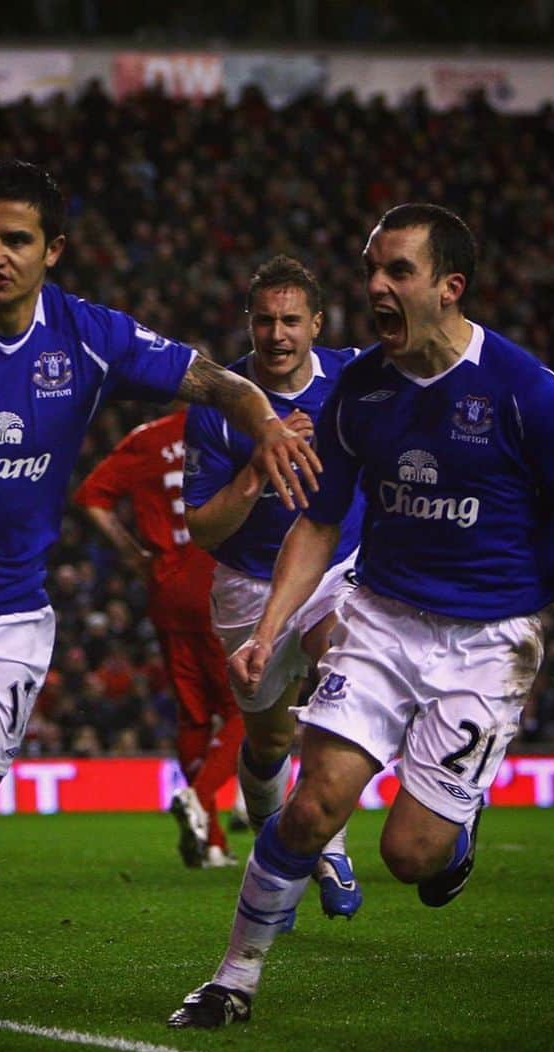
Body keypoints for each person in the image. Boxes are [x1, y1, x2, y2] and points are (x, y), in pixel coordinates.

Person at [0, 160, 320, 1034]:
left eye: (17, 239)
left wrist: (268, 422)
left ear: (53, 248)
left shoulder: (87, 335)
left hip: (7, 618)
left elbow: (220, 380)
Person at [169, 203, 554, 1029]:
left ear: (450, 288)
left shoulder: (525, 390)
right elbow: (316, 520)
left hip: (489, 640)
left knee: (411, 856)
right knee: (310, 807)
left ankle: (460, 815)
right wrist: (268, 630)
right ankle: (233, 977)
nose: (377, 285)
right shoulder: (362, 391)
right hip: (380, 615)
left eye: (398, 271)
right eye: (373, 268)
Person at [182, 255, 365, 920]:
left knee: (341, 672)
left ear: (318, 323)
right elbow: (202, 529)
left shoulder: (353, 377)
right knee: (265, 744)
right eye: (265, 319)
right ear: (249, 323)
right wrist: (259, 466)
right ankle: (275, 856)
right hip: (248, 587)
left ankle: (331, 845)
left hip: (336, 570)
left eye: (292, 319)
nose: (278, 333)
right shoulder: (220, 400)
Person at [73, 406, 247, 867]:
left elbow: (91, 497)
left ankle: (211, 843)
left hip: (167, 585)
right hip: (221, 581)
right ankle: (200, 795)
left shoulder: (149, 436)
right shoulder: (235, 428)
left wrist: (134, 556)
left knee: (193, 717)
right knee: (242, 710)